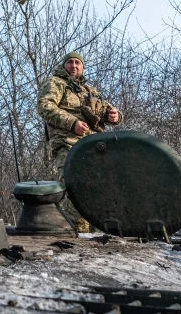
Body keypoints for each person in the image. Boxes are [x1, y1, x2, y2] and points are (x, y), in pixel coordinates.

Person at [37, 51, 122, 230]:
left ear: (83, 67)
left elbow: (106, 111)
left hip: (94, 147)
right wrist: (72, 123)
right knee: (75, 188)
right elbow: (45, 107)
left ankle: (90, 231)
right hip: (68, 144)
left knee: (97, 190)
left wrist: (115, 116)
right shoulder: (56, 83)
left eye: (78, 63)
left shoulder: (89, 90)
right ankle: (73, 233)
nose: (74, 66)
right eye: (70, 62)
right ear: (64, 65)